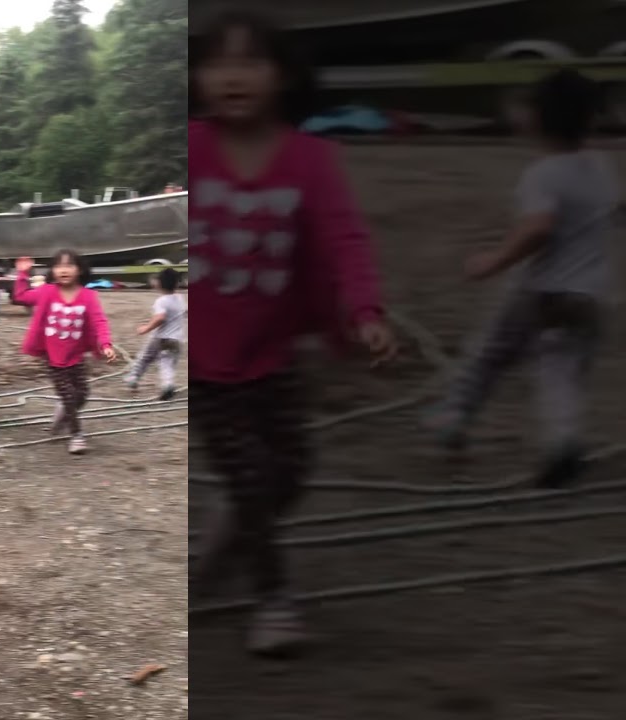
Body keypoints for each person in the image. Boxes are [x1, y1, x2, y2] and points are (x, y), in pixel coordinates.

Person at [189, 10, 398, 657]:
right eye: (218, 62)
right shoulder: (189, 148)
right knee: (252, 476)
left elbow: (344, 239)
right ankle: (274, 598)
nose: (233, 77)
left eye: (251, 62)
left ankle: (228, 534)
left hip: (273, 350)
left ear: (281, 75)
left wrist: (365, 313)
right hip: (203, 359)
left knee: (292, 471)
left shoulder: (310, 159)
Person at [424, 69, 617, 488]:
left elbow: (538, 227)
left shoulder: (543, 174)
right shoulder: (601, 167)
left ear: (538, 118)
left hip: (541, 292)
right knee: (560, 370)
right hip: (589, 297)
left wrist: (494, 261)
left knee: (490, 354)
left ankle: (453, 416)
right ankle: (563, 438)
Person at [12, 250, 116, 455]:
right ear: (53, 270)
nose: (63, 270)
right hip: (52, 357)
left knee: (82, 394)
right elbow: (20, 296)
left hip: (76, 355)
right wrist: (23, 274)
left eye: (69, 265)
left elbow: (99, 321)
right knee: (68, 396)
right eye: (59, 266)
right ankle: (76, 435)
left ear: (80, 270)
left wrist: (105, 344)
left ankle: (63, 414)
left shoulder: (88, 296)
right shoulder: (46, 292)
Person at [125, 267, 186, 400]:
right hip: (176, 340)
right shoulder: (180, 299)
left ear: (159, 283)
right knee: (167, 363)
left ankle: (133, 377)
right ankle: (167, 384)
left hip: (160, 338)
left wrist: (146, 328)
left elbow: (160, 318)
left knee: (145, 358)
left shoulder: (161, 301)